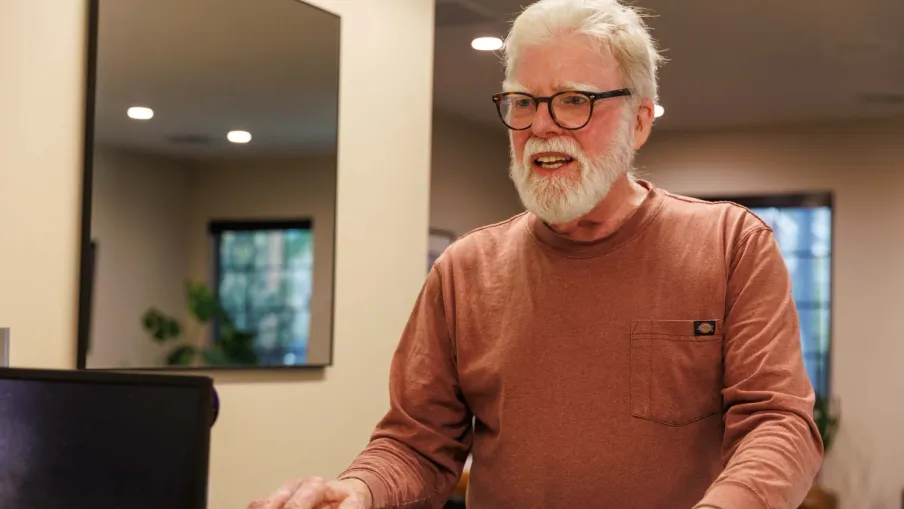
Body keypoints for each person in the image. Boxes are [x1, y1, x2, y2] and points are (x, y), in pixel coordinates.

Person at [248, 0, 823, 507]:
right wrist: (360, 491)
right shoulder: (464, 271)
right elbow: (416, 444)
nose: (542, 127)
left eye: (574, 100)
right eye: (523, 102)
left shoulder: (731, 245)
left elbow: (779, 424)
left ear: (640, 121)